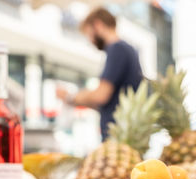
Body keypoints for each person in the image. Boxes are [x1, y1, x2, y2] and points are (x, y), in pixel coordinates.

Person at [57, 7, 143, 140]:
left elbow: (100, 95)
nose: (90, 41)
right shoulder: (128, 50)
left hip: (118, 139)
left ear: (97, 25)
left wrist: (69, 97)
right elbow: (105, 103)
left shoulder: (117, 49)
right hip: (123, 136)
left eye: (88, 34)